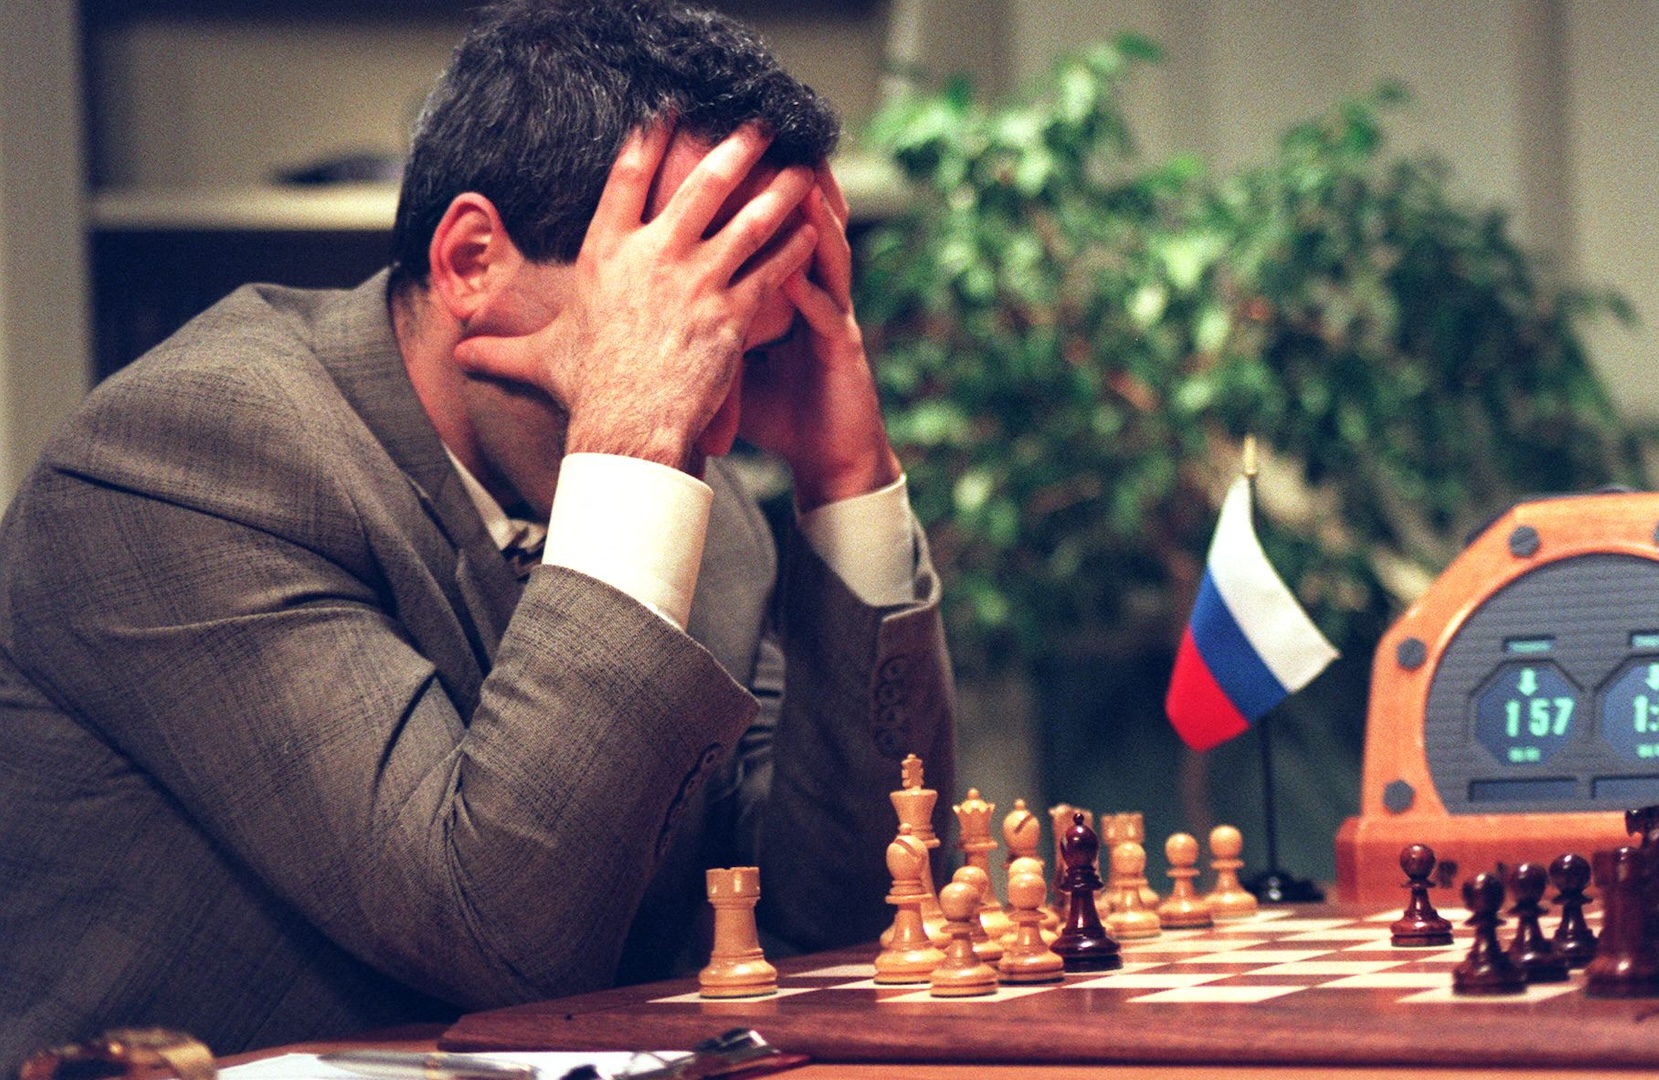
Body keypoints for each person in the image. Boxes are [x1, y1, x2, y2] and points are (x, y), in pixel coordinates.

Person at [0, 0, 955, 1065]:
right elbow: (499, 940)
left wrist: (846, 482)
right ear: (470, 264)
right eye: (670, 323)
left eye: (736, 344)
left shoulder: (702, 505)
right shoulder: (191, 455)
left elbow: (846, 924)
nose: (716, 423)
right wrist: (633, 438)